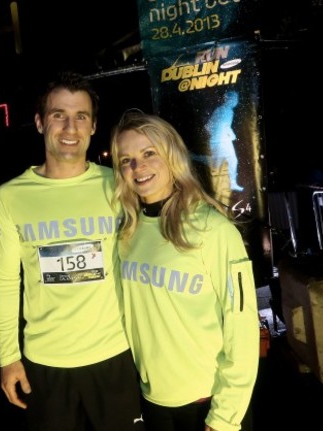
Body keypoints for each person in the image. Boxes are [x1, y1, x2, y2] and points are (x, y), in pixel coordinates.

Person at [0, 71, 144, 430]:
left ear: (93, 127)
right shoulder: (10, 197)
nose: (70, 127)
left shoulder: (119, 185)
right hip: (45, 365)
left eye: (81, 116)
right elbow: (4, 281)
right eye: (59, 115)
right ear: (41, 122)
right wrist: (8, 358)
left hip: (116, 356)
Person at [109, 109, 259, 431]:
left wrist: (225, 416)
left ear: (171, 155)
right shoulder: (126, 235)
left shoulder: (212, 229)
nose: (138, 167)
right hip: (154, 402)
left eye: (149, 153)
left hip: (208, 405)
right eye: (126, 160)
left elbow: (243, 327)